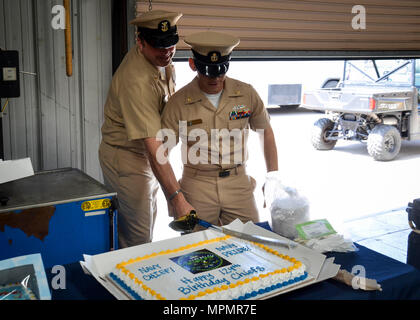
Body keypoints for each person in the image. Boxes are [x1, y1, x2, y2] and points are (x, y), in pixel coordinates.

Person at [161, 31, 278, 228]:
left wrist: (273, 176)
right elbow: (161, 152)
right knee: (199, 249)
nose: (215, 78)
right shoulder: (178, 102)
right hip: (197, 187)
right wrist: (175, 196)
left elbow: (265, 131)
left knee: (253, 244)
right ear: (193, 65)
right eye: (207, 72)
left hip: (238, 183)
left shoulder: (246, 94)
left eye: (220, 71)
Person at [99, 10, 193, 248]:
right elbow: (153, 148)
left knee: (148, 223)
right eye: (159, 46)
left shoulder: (162, 61)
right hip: (128, 159)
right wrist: (176, 198)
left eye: (171, 44)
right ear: (140, 42)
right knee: (137, 238)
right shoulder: (136, 81)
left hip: (147, 156)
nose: (167, 52)